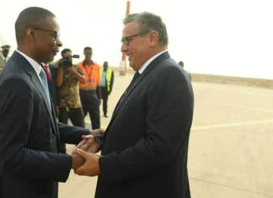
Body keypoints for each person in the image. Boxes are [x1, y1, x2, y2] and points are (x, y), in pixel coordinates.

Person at [74, 12, 194, 198]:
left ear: (152, 38)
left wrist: (103, 165)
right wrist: (104, 138)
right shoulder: (148, 73)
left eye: (127, 40)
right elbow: (140, 127)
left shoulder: (170, 75)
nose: (123, 48)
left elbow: (160, 147)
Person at [0, 7, 101, 198]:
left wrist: (87, 133)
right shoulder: (17, 81)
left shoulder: (34, 72)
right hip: (20, 190)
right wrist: (69, 162)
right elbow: (12, 155)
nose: (60, 42)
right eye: (54, 35)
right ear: (31, 33)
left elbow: (43, 125)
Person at [56, 48, 86, 127]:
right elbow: (58, 84)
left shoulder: (76, 67)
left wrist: (74, 72)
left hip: (76, 104)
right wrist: (61, 68)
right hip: (63, 104)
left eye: (70, 56)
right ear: (62, 58)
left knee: (81, 128)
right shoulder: (59, 68)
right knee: (63, 129)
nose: (69, 59)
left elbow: (84, 80)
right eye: (66, 57)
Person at [78, 47, 101, 129]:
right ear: (84, 53)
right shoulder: (79, 65)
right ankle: (80, 139)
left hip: (93, 94)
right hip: (82, 94)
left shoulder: (97, 66)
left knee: (96, 119)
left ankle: (96, 138)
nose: (88, 55)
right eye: (87, 53)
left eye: (90, 53)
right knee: (80, 121)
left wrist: (99, 98)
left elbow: (98, 83)